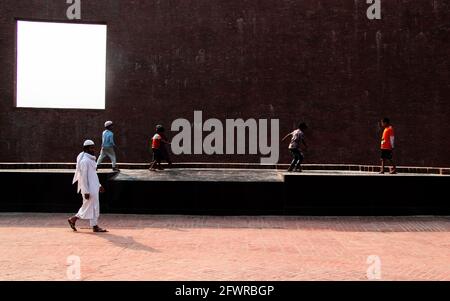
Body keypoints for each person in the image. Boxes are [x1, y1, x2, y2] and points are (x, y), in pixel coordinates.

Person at [68, 140, 108, 233]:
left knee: (93, 207)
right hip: (88, 189)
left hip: (93, 187)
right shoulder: (84, 161)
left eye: (93, 147)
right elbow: (83, 178)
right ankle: (73, 219)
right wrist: (86, 191)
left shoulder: (90, 160)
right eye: (91, 147)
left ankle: (94, 226)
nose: (93, 149)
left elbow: (93, 175)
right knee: (88, 207)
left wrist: (99, 185)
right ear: (85, 149)